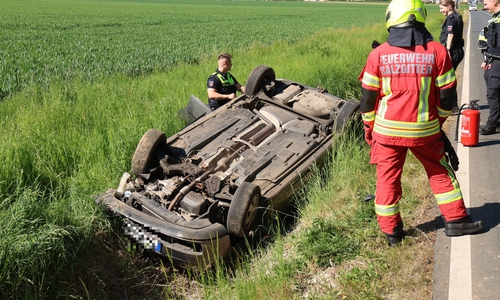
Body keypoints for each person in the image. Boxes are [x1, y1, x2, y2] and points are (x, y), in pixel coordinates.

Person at [359, 0, 483, 246]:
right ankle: (456, 220)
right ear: (421, 16)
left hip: (386, 132)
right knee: (439, 172)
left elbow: (367, 100)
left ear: (392, 17)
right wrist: (436, 121)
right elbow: (447, 98)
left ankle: (392, 233)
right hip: (425, 130)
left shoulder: (378, 54)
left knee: (387, 179)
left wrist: (369, 128)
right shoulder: (438, 52)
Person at [477, 0, 500, 135]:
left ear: (494, 1)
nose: (484, 7)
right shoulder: (495, 18)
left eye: (485, 4)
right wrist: (487, 59)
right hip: (493, 60)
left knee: (493, 93)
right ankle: (497, 121)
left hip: (497, 62)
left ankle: (492, 123)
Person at [439, 0, 465, 114]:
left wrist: (447, 50)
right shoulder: (458, 16)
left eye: (442, 8)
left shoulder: (451, 18)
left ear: (449, 7)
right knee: (451, 77)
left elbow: (450, 35)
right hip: (458, 50)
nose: (441, 11)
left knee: (449, 78)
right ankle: (452, 105)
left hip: (453, 51)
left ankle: (453, 106)